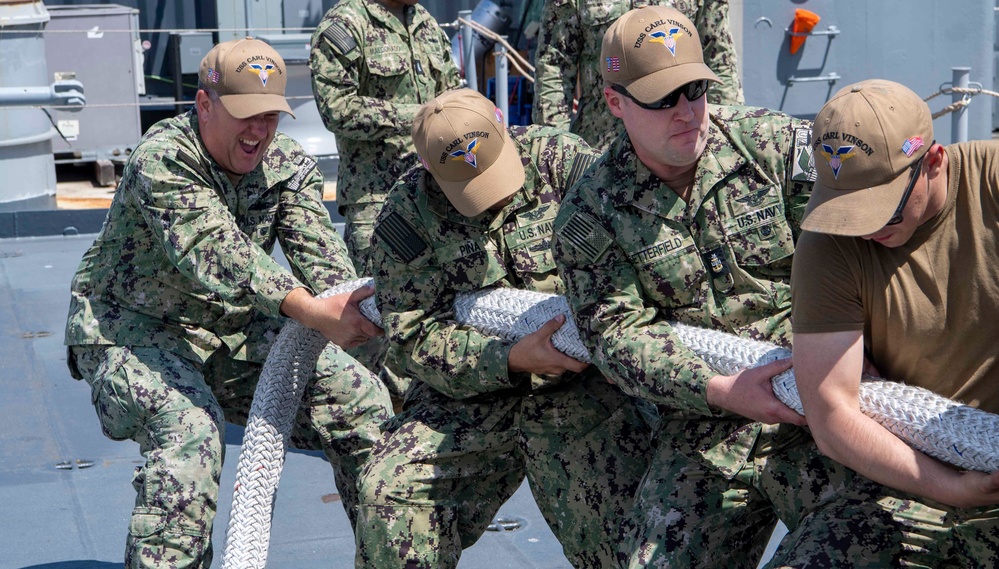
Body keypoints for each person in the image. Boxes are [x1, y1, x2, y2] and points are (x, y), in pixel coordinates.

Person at [552, 6, 897, 567]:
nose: (687, 112)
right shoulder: (590, 213)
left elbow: (856, 256)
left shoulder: (775, 150)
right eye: (663, 99)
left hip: (828, 405)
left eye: (695, 88)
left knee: (866, 546)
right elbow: (614, 334)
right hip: (706, 420)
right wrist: (720, 389)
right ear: (615, 103)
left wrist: (850, 352)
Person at [64, 38, 393, 568]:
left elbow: (323, 259)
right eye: (245, 115)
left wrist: (356, 304)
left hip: (231, 329)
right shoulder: (165, 159)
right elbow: (215, 252)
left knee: (363, 405)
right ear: (204, 105)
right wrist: (310, 310)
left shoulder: (287, 165)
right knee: (189, 437)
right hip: (132, 329)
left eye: (270, 115)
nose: (259, 131)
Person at [356, 88, 653, 568]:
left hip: (585, 387)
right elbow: (411, 335)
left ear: (501, 121)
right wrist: (510, 360)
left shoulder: (563, 161)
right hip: (471, 392)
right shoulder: (407, 215)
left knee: (624, 536)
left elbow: (636, 250)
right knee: (388, 491)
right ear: (430, 169)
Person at [790, 79, 999, 566]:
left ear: (933, 162)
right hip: (908, 473)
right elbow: (832, 414)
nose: (864, 226)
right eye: (850, 207)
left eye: (881, 206)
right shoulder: (828, 244)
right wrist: (950, 487)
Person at [309, 0, 462, 405]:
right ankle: (371, 422)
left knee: (436, 307)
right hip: (376, 200)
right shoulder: (345, 25)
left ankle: (419, 413)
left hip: (434, 193)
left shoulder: (425, 23)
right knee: (377, 320)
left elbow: (452, 92)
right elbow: (336, 108)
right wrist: (418, 116)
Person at [533, 0, 743, 150]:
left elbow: (718, 58)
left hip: (680, 138)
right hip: (602, 145)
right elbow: (554, 66)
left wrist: (726, 138)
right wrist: (556, 149)